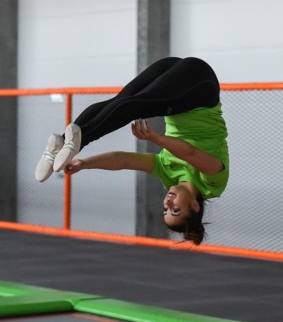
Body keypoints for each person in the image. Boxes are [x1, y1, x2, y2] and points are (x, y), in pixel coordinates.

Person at [35, 57, 229, 244]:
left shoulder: (168, 176)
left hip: (177, 87)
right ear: (194, 206)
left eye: (165, 211)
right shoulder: (212, 184)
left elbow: (124, 161)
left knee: (121, 101)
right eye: (175, 210)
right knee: (135, 106)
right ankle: (79, 143)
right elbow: (190, 153)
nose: (167, 204)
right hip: (199, 88)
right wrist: (157, 138)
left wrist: (85, 163)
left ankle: (59, 142)